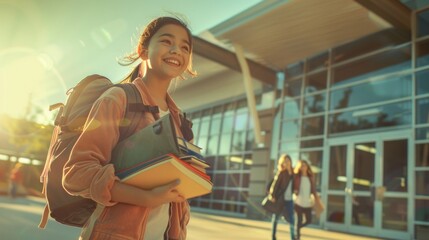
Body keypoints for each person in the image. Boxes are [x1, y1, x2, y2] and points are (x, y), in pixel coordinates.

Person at [62, 15, 197, 240]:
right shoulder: (117, 99)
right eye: (166, 41)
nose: (177, 50)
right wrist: (146, 197)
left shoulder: (180, 120)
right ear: (143, 50)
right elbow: (76, 174)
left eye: (185, 47)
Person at [268, 154, 295, 240]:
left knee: (291, 219)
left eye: (288, 160)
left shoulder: (294, 173)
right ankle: (273, 236)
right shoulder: (282, 172)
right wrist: (272, 195)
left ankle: (293, 237)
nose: (286, 163)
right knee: (276, 218)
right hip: (280, 199)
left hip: (289, 199)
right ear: (282, 163)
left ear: (290, 161)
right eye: (285, 161)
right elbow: (274, 185)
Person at [293, 159, 321, 240]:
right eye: (302, 166)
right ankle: (297, 237)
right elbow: (293, 186)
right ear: (300, 167)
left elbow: (313, 189)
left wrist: (316, 197)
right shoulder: (297, 176)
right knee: (299, 220)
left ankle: (297, 228)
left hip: (307, 202)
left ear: (307, 167)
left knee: (309, 220)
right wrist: (294, 191)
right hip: (298, 201)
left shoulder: (310, 177)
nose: (303, 167)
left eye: (305, 165)